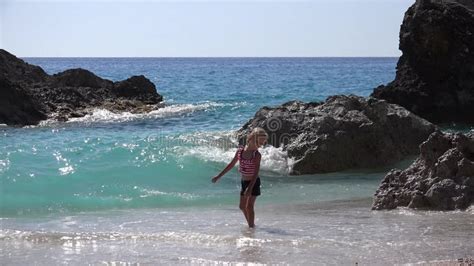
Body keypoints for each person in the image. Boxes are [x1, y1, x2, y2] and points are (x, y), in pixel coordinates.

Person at [211, 127, 268, 228]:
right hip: (244, 182)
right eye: (259, 143)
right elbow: (231, 164)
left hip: (253, 183)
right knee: (242, 207)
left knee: (249, 206)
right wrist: (219, 176)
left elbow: (256, 173)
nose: (260, 145)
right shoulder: (240, 151)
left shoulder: (257, 155)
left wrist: (250, 188)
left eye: (262, 143)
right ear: (251, 138)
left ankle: (251, 227)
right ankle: (252, 225)